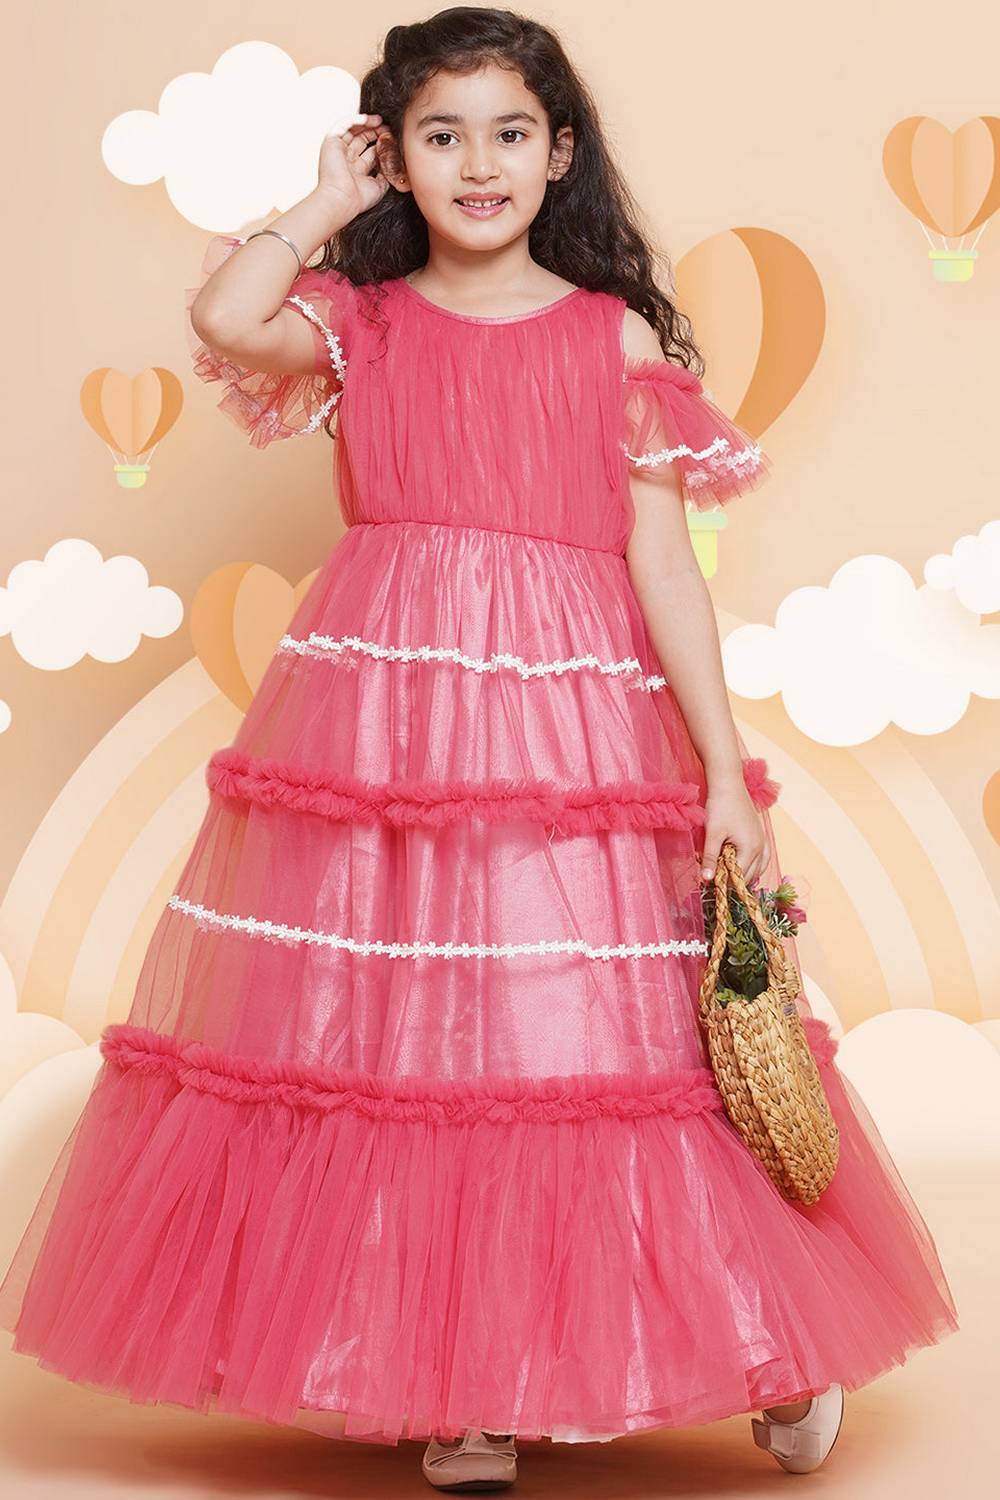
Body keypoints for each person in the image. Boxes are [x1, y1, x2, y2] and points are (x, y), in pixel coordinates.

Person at [0, 7, 959, 1493]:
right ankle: (466, 1381)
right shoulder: (363, 321)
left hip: (574, 725)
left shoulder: (609, 336)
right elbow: (230, 320)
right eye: (440, 136)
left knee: (617, 1048)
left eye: (511, 132)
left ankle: (771, 1347)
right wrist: (322, 201)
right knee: (406, 1050)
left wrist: (724, 779)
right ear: (396, 156)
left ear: (561, 153)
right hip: (383, 720)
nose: (480, 163)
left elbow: (664, 569)